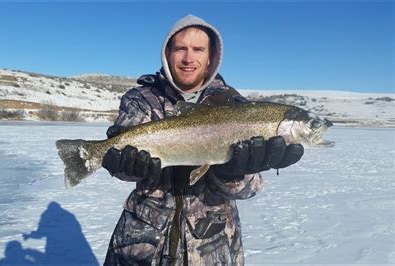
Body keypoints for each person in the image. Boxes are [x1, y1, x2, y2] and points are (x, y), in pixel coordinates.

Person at [102, 15, 304, 265]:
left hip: (212, 244)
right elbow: (125, 164)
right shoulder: (141, 99)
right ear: (168, 53)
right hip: (142, 241)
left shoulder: (235, 105)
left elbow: (251, 188)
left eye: (198, 49)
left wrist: (232, 173)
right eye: (180, 49)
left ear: (210, 58)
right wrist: (125, 165)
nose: (188, 58)